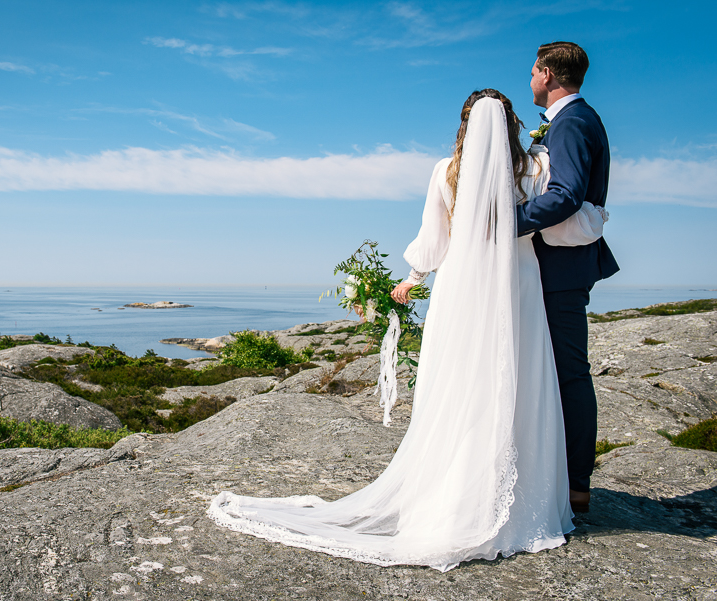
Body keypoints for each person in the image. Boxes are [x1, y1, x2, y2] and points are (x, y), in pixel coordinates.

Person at [209, 91, 576, 571]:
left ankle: (455, 492)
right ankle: (522, 497)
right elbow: (555, 219)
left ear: (464, 124)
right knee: (517, 375)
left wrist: (412, 278)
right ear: (510, 123)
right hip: (518, 281)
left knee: (460, 383)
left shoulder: (448, 170)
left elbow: (434, 239)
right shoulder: (534, 168)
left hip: (462, 283)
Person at [515, 42, 619, 512]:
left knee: (570, 375)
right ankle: (556, 475)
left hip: (560, 269)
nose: (531, 79)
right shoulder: (571, 121)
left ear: (548, 73)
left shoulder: (572, 122)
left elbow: (566, 194)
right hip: (555, 265)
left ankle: (577, 486)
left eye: (534, 71)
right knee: (552, 371)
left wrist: (504, 220)